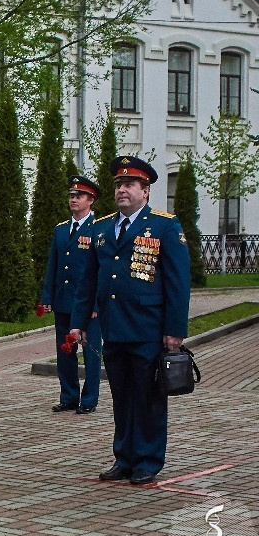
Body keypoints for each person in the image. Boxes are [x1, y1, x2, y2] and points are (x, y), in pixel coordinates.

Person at [73, 156, 189, 485]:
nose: (122, 190)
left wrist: (174, 330)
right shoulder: (101, 228)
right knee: (122, 396)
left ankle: (148, 460)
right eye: (119, 185)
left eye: (130, 185)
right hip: (114, 327)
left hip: (148, 328)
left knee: (149, 397)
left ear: (145, 191)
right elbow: (88, 281)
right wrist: (78, 321)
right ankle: (123, 457)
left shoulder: (165, 226)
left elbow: (178, 284)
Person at [39, 175, 103, 415]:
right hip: (64, 300)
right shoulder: (61, 230)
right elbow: (52, 267)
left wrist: (96, 302)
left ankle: (89, 399)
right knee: (65, 351)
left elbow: (101, 270)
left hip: (87, 304)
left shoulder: (98, 228)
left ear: (91, 200)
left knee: (90, 352)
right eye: (72, 196)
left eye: (79, 196)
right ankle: (68, 396)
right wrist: (47, 298)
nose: (74, 199)